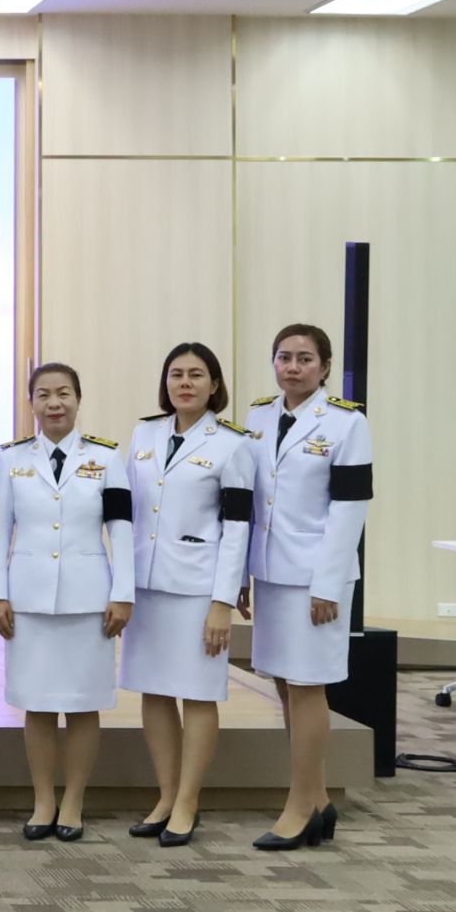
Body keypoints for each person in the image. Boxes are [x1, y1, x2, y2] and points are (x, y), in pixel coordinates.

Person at [0, 362, 134, 843]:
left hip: (89, 601)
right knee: (37, 704)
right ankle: (43, 800)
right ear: (31, 402)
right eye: (44, 395)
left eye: (64, 393)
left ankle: (73, 801)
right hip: (27, 600)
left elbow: (121, 529)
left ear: (78, 399)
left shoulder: (107, 457)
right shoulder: (11, 459)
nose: (54, 403)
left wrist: (123, 593)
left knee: (84, 705)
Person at [121, 341, 256, 848]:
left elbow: (237, 527)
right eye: (176, 374)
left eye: (196, 374)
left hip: (199, 588)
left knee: (198, 693)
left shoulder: (233, 444)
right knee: (154, 691)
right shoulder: (144, 434)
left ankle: (188, 802)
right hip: (147, 584)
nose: (185, 383)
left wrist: (224, 600)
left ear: (214, 384)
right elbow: (129, 512)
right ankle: (165, 795)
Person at [244, 323, 372, 851]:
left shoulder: (347, 423)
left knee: (307, 685)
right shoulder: (258, 417)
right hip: (271, 572)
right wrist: (241, 575)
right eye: (284, 357)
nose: (293, 367)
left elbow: (350, 509)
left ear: (324, 367)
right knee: (282, 682)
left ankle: (298, 806)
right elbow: (249, 501)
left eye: (304, 359)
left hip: (317, 578)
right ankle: (317, 800)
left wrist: (328, 584)